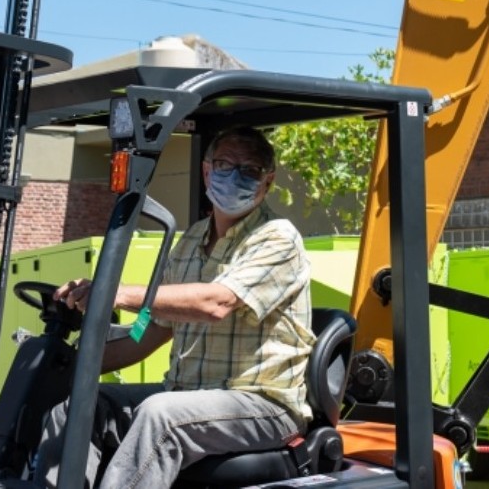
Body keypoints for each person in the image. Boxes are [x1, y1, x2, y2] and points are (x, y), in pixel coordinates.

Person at [33, 126, 315, 489]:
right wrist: (75, 362)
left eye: (250, 170)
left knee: (160, 414)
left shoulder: (277, 237)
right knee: (83, 405)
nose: (235, 176)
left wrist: (113, 293)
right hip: (190, 396)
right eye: (226, 164)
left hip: (263, 404)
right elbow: (150, 328)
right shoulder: (191, 240)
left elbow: (217, 302)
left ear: (268, 181)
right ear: (207, 170)